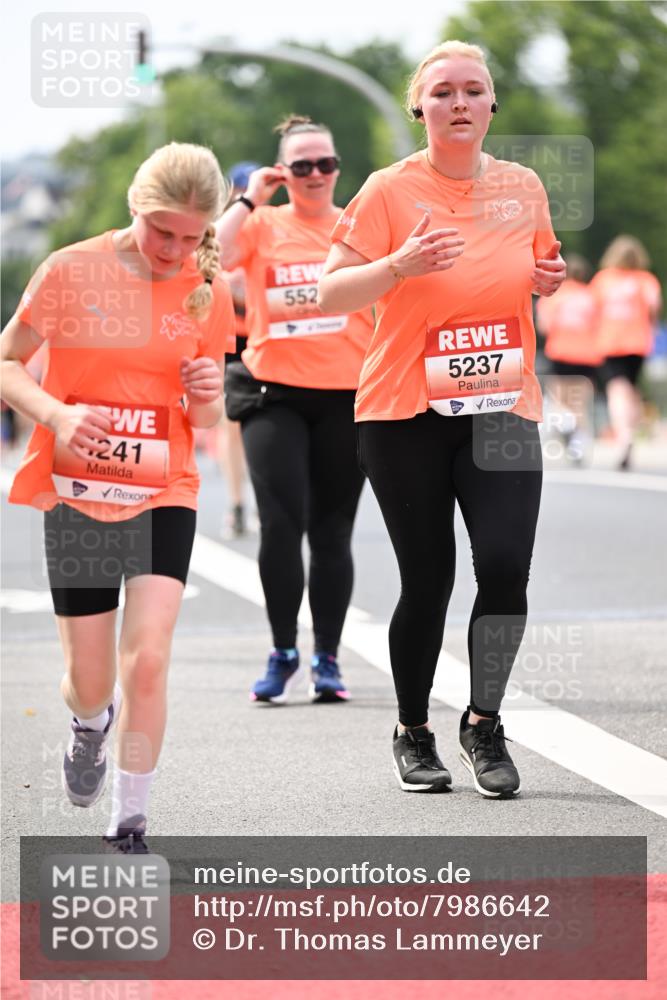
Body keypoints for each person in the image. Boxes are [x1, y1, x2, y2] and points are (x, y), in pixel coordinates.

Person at [319, 41, 565, 797]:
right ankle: (412, 729)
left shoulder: (522, 186)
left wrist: (547, 279)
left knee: (502, 568)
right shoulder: (389, 191)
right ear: (418, 108)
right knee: (427, 580)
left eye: (473, 90)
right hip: (402, 412)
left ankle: (483, 723)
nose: (458, 102)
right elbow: (329, 293)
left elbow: (539, 265)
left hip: (500, 404)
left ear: (491, 106)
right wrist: (396, 266)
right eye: (442, 92)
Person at [1, 142, 234, 851]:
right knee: (91, 679)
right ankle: (87, 725)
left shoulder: (206, 285)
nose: (175, 249)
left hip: (165, 487)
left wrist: (206, 398)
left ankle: (130, 818)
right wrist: (58, 415)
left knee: (151, 659)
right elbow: (8, 361)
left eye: (192, 237)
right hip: (78, 489)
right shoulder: (71, 270)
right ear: (136, 207)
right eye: (164, 231)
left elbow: (205, 419)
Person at [216, 115, 374, 705]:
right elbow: (212, 253)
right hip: (272, 393)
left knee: (332, 534)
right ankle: (283, 649)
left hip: (345, 397)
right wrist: (249, 197)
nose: (314, 174)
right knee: (281, 527)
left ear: (337, 168)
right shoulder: (262, 224)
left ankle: (327, 658)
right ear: (284, 172)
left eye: (324, 164)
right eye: (300, 165)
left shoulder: (357, 225)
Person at [588, 236, 662, 470]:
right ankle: (630, 433)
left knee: (617, 390)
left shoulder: (603, 280)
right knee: (630, 390)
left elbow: (592, 310)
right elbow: (654, 309)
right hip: (638, 342)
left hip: (610, 342)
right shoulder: (646, 280)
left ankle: (624, 437)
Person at [217, 161, 260, 538]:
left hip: (271, 338)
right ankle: (236, 503)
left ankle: (265, 499)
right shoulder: (225, 229)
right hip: (233, 340)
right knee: (232, 424)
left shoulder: (274, 224)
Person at [536, 254, 600, 464]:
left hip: (561, 352)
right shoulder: (591, 296)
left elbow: (544, 325)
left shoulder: (554, 295)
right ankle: (579, 447)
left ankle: (568, 427)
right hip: (588, 354)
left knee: (559, 400)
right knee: (579, 403)